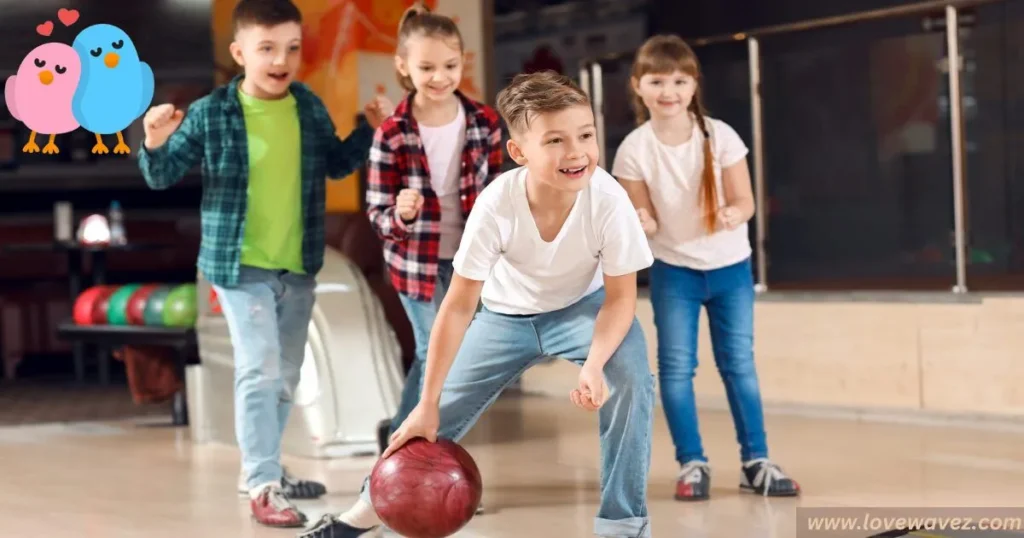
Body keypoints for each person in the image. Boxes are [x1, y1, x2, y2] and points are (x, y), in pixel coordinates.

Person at [299, 70, 657, 538]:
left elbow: (620, 298)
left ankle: (622, 526)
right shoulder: (497, 204)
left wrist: (593, 364)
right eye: (554, 140)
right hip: (505, 315)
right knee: (429, 418)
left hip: (584, 310)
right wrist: (427, 401)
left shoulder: (609, 201)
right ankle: (364, 513)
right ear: (519, 152)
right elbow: (459, 304)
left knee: (631, 379)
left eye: (585, 135)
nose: (576, 152)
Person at [136, 0, 391, 528]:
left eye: (292, 48)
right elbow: (162, 176)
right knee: (261, 368)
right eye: (267, 48)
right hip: (238, 266)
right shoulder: (212, 113)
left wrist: (371, 130)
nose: (282, 59)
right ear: (240, 53)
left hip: (296, 266)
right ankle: (262, 483)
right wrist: (154, 141)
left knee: (286, 374)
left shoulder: (307, 106)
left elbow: (339, 162)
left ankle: (266, 467)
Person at [612, 34, 800, 501]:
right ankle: (691, 463)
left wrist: (736, 213)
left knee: (738, 364)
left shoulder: (721, 136)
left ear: (694, 85)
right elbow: (641, 216)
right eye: (656, 81)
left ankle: (756, 462)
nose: (668, 91)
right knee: (676, 369)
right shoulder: (634, 149)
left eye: (679, 80)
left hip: (730, 269)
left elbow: (747, 200)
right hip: (674, 272)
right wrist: (644, 221)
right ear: (638, 86)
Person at [365, 3, 503, 463]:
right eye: (426, 67)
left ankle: (404, 440)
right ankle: (420, 458)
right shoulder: (392, 133)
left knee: (455, 358)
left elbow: (504, 194)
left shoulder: (484, 123)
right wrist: (400, 214)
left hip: (472, 261)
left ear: (463, 62)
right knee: (437, 354)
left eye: (449, 65)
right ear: (403, 67)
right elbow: (378, 213)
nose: (440, 76)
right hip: (416, 265)